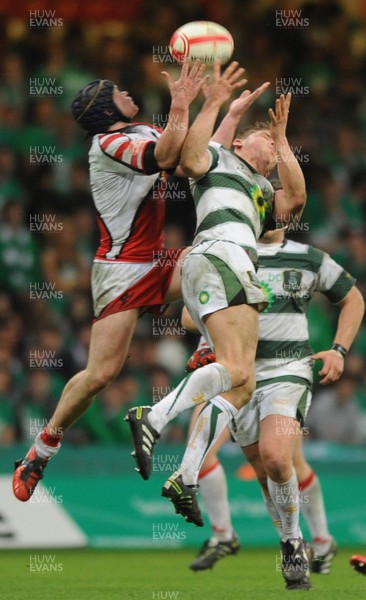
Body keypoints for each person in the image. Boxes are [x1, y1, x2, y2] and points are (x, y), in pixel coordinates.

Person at [12, 59, 210, 502]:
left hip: (155, 259)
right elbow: (164, 158)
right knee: (100, 374)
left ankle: (204, 345)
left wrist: (214, 107)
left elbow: (188, 158)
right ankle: (41, 450)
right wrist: (181, 103)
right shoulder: (106, 144)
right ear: (105, 107)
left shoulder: (140, 130)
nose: (127, 91)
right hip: (120, 271)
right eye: (117, 89)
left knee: (215, 258)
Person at [127, 61, 306, 537]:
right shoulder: (218, 162)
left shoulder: (261, 193)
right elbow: (189, 156)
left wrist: (284, 140)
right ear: (240, 144)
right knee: (238, 370)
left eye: (273, 141)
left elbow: (298, 200)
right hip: (220, 257)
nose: (268, 141)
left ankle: (185, 474)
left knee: (241, 381)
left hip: (226, 268)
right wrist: (218, 104)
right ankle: (154, 415)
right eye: (263, 137)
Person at [184, 225, 364, 589]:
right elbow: (189, 313)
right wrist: (211, 329)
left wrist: (340, 349)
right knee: (269, 468)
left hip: (289, 372)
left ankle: (288, 541)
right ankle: (312, 540)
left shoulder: (308, 258)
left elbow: (353, 298)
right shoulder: (227, 252)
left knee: (278, 457)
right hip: (238, 376)